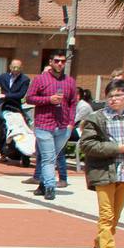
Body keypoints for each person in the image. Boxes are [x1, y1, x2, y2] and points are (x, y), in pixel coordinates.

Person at [79, 79, 124, 248]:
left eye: (118, 95)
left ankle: (98, 245)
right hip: (104, 171)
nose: (113, 99)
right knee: (106, 215)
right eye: (110, 96)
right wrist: (115, 148)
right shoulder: (97, 118)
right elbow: (86, 145)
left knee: (116, 216)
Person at [26, 53, 78, 201]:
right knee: (49, 158)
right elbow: (29, 98)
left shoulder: (70, 81)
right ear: (51, 62)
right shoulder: (40, 79)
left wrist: (71, 122)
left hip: (62, 126)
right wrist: (49, 99)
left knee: (50, 157)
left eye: (62, 61)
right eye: (57, 61)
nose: (60, 64)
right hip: (44, 124)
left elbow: (73, 103)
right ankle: (50, 187)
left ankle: (42, 183)